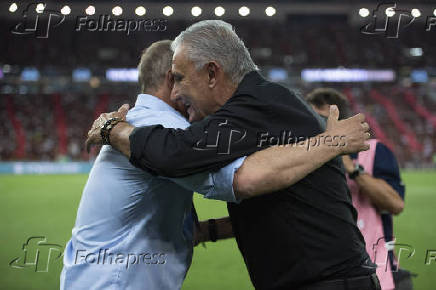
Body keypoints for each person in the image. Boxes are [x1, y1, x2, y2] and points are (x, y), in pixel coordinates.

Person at [86, 20, 378, 290]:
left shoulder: (253, 108)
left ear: (212, 73)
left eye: (180, 78)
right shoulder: (261, 103)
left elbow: (175, 155)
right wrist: (209, 230)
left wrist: (113, 128)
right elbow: (276, 205)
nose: (175, 93)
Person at [306, 88, 406, 290]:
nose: (318, 127)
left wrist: (352, 169)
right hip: (320, 273)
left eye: (322, 120)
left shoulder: (374, 151)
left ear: (343, 122)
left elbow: (395, 204)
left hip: (373, 272)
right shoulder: (304, 159)